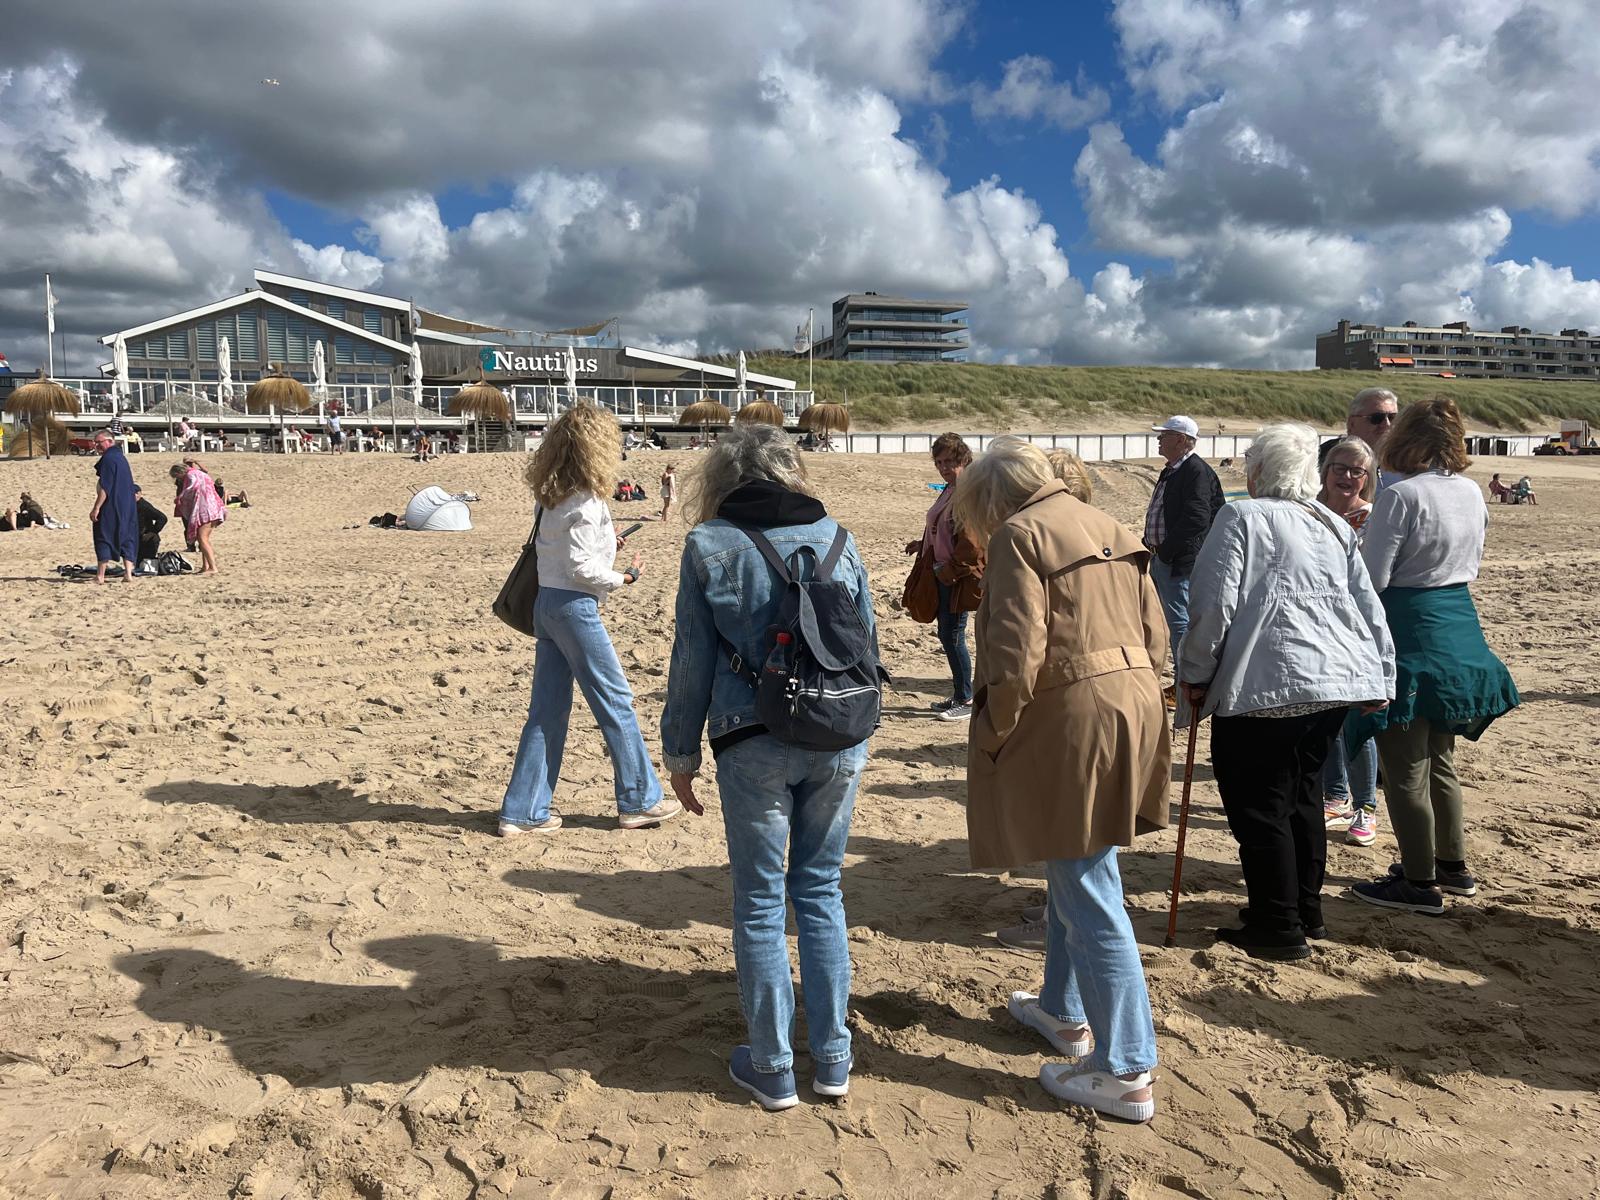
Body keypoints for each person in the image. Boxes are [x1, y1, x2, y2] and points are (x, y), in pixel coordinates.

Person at [952, 436, 1170, 1122]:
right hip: (1134, 700)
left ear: (990, 500)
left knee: (1087, 882)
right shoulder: (1105, 522)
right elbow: (1157, 634)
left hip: (1074, 711)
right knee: (1076, 861)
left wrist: (993, 731)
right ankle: (1062, 1007)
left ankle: (1126, 1066)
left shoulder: (1018, 536)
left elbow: (1015, 652)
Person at [660, 423, 877, 1111]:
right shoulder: (838, 538)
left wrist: (680, 752)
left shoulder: (710, 543)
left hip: (749, 735)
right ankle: (834, 1058)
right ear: (792, 470)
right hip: (837, 733)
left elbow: (692, 658)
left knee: (758, 901)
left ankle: (773, 1065)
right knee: (820, 890)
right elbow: (865, 645)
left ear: (721, 478)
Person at [1180, 424, 1394, 959]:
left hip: (1268, 686)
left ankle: (1277, 924)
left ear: (1258, 471)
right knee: (1301, 798)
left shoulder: (1244, 517)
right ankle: (1303, 911)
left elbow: (1212, 606)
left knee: (1261, 807)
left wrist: (1195, 674)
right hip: (1330, 685)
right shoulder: (1330, 521)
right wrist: (1380, 673)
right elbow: (1367, 606)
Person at [1349, 397, 1519, 916]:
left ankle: (1419, 881)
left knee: (1404, 765)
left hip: (1410, 626)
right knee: (1440, 757)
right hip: (1457, 622)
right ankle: (1452, 864)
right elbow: (1473, 558)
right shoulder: (1468, 491)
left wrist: (1357, 538)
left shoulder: (1403, 496)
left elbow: (1374, 578)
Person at [498, 404, 673, 836]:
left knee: (547, 710)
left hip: (546, 604)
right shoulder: (587, 500)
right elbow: (580, 567)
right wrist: (625, 577)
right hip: (574, 608)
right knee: (616, 700)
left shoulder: (552, 496)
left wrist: (606, 544)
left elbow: (560, 552)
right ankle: (639, 800)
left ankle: (523, 811)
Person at [1313, 437, 1385, 847]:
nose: (1347, 476)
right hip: (1315, 628)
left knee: (1358, 722)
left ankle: (1366, 805)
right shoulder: (1309, 511)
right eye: (1339, 467)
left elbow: (1372, 579)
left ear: (1367, 477)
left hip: (1355, 631)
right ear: (1324, 470)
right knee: (1326, 717)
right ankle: (1336, 795)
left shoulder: (1371, 518)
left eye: (1358, 471)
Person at [1142, 415, 1224, 706]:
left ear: (1180, 439)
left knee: (1179, 623)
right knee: (1166, 620)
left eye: (1164, 435)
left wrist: (1166, 551)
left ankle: (1183, 685)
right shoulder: (1174, 469)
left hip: (1177, 560)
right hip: (1163, 557)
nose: (1158, 439)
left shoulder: (1194, 471)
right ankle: (1178, 681)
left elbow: (1197, 519)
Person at [905, 433, 983, 721]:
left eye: (949, 461)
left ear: (964, 459)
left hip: (955, 577)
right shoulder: (951, 489)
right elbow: (944, 528)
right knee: (948, 635)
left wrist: (946, 572)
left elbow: (972, 546)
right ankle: (960, 694)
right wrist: (922, 544)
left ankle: (965, 698)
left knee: (953, 636)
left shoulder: (968, 492)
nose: (943, 468)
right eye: (938, 462)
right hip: (943, 572)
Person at [89, 429, 139, 584]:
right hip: (127, 504)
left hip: (112, 504)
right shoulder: (120, 457)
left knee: (103, 535)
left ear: (110, 441)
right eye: (95, 443)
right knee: (127, 534)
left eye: (99, 442)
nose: (97, 445)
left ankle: (100, 576)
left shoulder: (109, 458)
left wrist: (97, 507)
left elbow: (106, 486)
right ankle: (128, 574)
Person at [1322, 387, 1399, 487]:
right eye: (1377, 418)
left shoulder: (1405, 465)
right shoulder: (1327, 460)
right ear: (1352, 424)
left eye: (1392, 418)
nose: (1387, 424)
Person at [171, 459, 225, 574]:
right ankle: (205, 566)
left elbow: (193, 487)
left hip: (205, 509)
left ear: (180, 473)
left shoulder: (190, 475)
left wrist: (180, 497)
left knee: (202, 538)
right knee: (204, 539)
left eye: (178, 477)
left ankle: (213, 567)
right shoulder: (200, 473)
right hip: (213, 506)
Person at [132, 484, 167, 564]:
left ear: (139, 494)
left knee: (146, 564)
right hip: (137, 539)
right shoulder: (131, 505)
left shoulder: (144, 506)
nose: (133, 496)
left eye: (135, 493)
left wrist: (152, 532)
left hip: (148, 540)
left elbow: (162, 518)